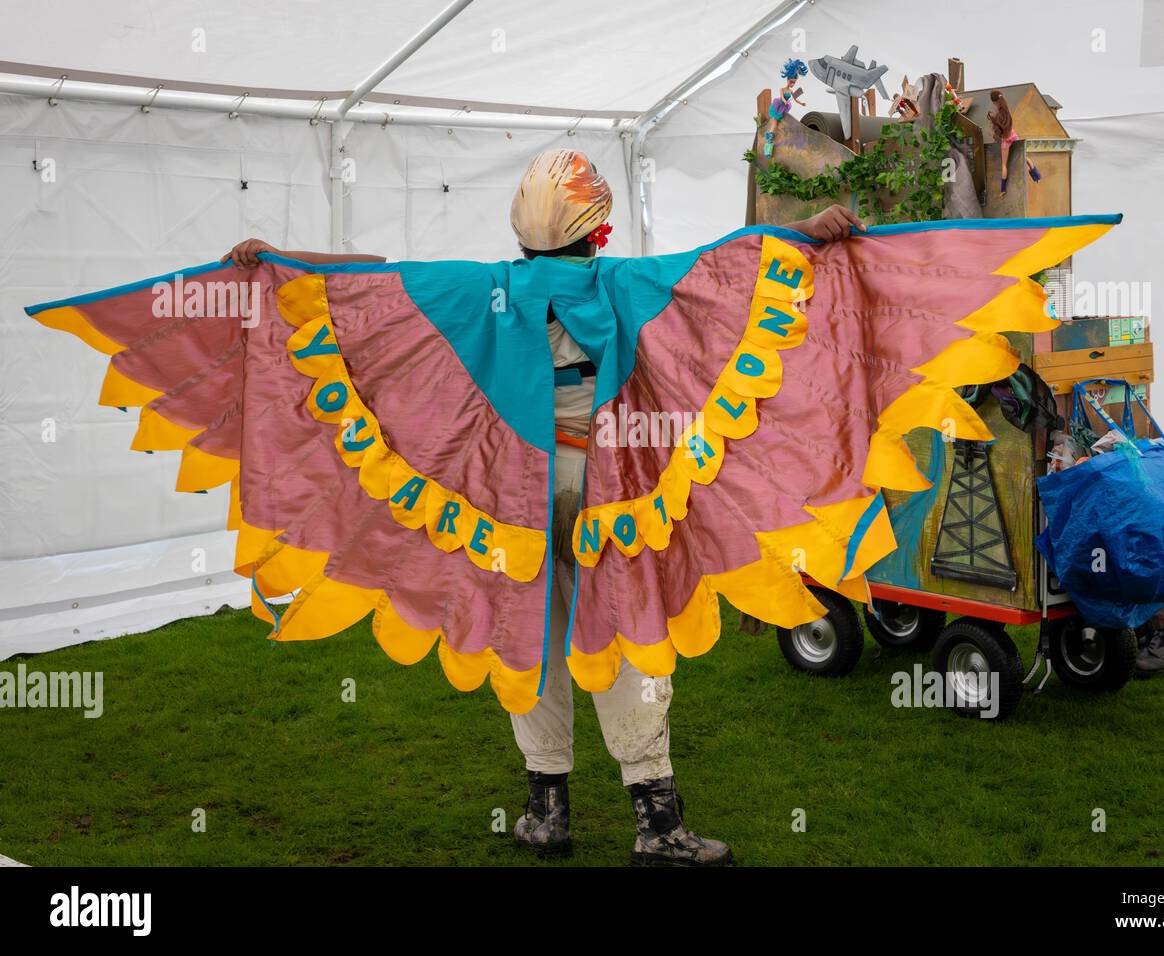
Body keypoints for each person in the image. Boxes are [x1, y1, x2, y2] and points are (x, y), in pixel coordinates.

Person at [225, 149, 862, 865]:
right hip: (609, 491)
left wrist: (279, 256)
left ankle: (546, 813)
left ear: (522, 238)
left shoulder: (485, 288)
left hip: (514, 499)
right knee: (623, 638)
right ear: (598, 234)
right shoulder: (624, 282)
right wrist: (806, 227)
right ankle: (656, 821)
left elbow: (362, 277)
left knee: (530, 635)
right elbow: (728, 265)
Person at [987, 89, 1041, 194]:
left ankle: (1002, 189)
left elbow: (1000, 132)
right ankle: (1036, 174)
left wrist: (994, 132)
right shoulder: (1006, 111)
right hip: (1013, 135)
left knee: (1004, 165)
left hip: (1006, 141)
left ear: (995, 102)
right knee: (1024, 156)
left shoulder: (999, 115)